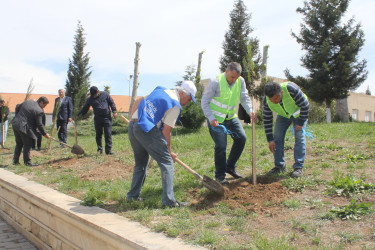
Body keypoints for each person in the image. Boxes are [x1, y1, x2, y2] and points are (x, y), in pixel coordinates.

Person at [127, 81, 197, 207]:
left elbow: (138, 101)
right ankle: (169, 201)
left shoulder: (161, 90)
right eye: (189, 99)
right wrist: (168, 152)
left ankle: (132, 197)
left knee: (141, 164)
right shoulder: (175, 105)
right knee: (167, 163)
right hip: (146, 129)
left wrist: (132, 120)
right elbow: (166, 131)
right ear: (182, 93)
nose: (188, 102)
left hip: (133, 125)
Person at [201, 62, 255, 185]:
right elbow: (204, 101)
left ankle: (230, 166)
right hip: (216, 120)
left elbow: (244, 98)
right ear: (226, 71)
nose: (233, 80)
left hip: (230, 117)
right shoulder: (215, 82)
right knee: (221, 146)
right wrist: (210, 118)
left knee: (241, 138)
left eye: (236, 77)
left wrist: (250, 111)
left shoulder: (240, 81)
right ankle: (220, 176)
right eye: (232, 77)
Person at [263, 81, 309, 178]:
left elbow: (305, 106)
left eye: (276, 98)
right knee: (277, 137)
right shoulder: (266, 101)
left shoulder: (291, 89)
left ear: (281, 93)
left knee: (299, 136)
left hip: (298, 112)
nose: (274, 102)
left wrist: (300, 123)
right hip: (284, 115)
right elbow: (267, 120)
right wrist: (270, 140)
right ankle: (279, 166)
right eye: (271, 100)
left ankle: (298, 168)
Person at [78, 86, 117, 155]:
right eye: (92, 95)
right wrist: (78, 115)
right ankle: (99, 149)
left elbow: (111, 102)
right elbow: (85, 108)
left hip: (107, 117)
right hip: (97, 118)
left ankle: (108, 150)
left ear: (98, 92)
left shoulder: (105, 94)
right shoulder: (90, 99)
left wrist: (114, 111)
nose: (93, 97)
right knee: (98, 134)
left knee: (108, 134)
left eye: (94, 95)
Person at [12, 97, 50, 166]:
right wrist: (45, 134)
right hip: (23, 126)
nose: (44, 107)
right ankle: (27, 162)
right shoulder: (39, 111)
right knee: (28, 144)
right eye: (44, 105)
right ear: (41, 102)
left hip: (15, 123)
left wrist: (17, 117)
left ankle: (15, 161)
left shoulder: (28, 101)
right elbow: (39, 124)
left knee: (19, 143)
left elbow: (17, 107)